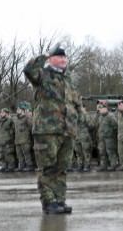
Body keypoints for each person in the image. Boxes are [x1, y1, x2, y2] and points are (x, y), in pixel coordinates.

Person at [23, 46, 82, 215]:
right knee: (47, 167)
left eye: (65, 58)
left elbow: (76, 103)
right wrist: (45, 56)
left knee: (61, 168)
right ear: (51, 59)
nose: (64, 60)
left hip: (67, 131)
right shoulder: (42, 75)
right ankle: (48, 201)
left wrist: (78, 120)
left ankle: (60, 199)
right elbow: (28, 70)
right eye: (60, 57)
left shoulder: (69, 79)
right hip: (46, 130)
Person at [95, 101, 119, 171]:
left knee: (111, 151)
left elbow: (115, 126)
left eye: (101, 108)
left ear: (105, 108)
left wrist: (111, 133)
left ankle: (113, 165)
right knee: (102, 152)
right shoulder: (100, 117)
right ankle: (103, 165)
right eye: (99, 108)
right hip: (101, 138)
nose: (100, 110)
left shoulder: (110, 116)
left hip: (109, 138)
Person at [15, 102, 36, 172]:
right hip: (18, 140)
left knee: (27, 154)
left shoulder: (27, 118)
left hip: (25, 140)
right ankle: (22, 165)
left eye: (18, 110)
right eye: (17, 110)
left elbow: (31, 127)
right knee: (19, 155)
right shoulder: (17, 119)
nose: (17, 111)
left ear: (23, 111)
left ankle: (29, 166)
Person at [73, 106, 95, 172]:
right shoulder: (73, 116)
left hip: (84, 136)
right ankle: (80, 165)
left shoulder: (85, 115)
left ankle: (87, 165)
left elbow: (91, 125)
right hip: (76, 136)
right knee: (78, 152)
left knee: (86, 151)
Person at [0, 107, 18, 172]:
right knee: (2, 155)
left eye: (3, 113)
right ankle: (4, 166)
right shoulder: (0, 121)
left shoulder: (10, 121)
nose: (1, 114)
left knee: (9, 154)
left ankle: (11, 166)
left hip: (8, 141)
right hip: (1, 141)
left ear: (7, 114)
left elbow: (14, 130)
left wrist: (11, 138)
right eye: (0, 113)